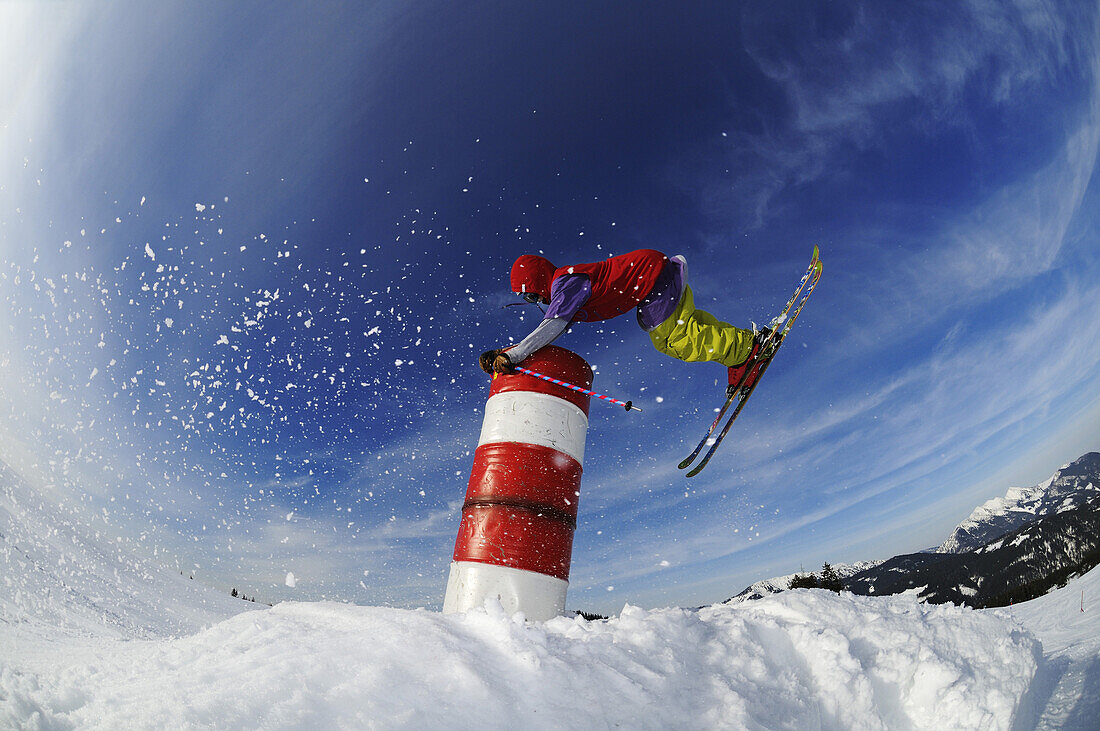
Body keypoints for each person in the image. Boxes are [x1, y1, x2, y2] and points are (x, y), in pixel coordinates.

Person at [479, 249, 771, 398]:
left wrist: (515, 355)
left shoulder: (564, 282)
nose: (534, 299)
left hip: (651, 280)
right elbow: (554, 327)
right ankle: (743, 348)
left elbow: (553, 324)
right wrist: (511, 352)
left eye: (530, 294)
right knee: (686, 325)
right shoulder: (567, 284)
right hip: (656, 275)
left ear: (538, 281)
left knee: (673, 340)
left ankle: (748, 352)